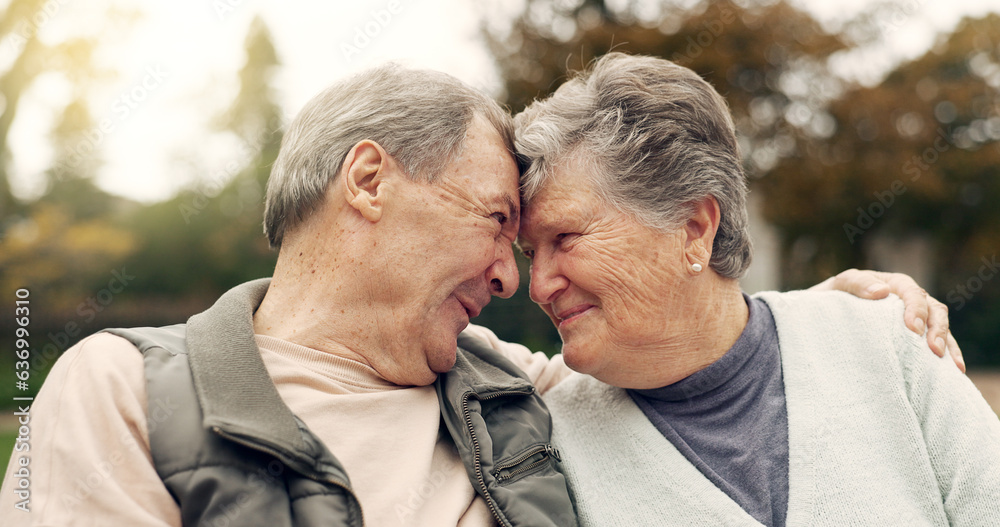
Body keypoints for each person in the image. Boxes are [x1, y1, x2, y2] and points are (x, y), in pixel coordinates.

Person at [0, 62, 958, 527]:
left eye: (538, 239)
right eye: (499, 220)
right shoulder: (124, 390)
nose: (514, 279)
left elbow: (686, 341)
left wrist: (825, 316)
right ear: (369, 182)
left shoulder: (507, 388)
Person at [513, 52, 1000, 526]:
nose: (538, 286)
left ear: (694, 228)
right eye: (531, 253)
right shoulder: (542, 446)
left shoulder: (891, 343)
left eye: (566, 238)